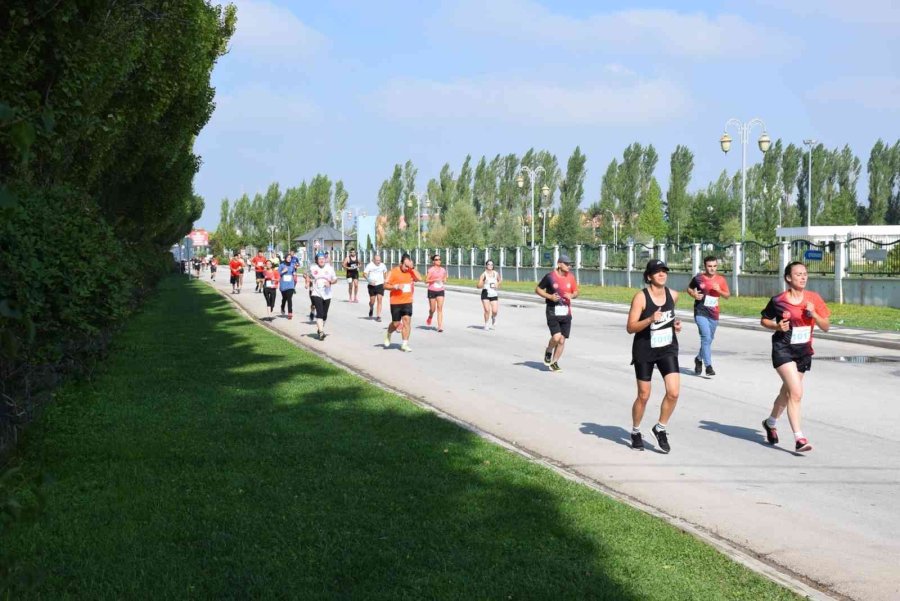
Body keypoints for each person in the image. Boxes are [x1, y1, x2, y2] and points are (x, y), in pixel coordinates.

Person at [759, 261, 830, 453]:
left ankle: (770, 422)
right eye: (798, 274)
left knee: (787, 393)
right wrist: (776, 326)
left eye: (805, 274)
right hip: (783, 350)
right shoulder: (779, 300)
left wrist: (814, 313)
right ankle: (799, 438)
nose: (803, 277)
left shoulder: (813, 298)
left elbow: (826, 326)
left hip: (803, 352)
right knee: (796, 393)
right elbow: (764, 319)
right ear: (788, 278)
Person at [626, 259, 682, 453]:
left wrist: (675, 324)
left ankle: (660, 428)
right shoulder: (640, 298)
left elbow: (670, 318)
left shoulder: (673, 295)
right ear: (649, 276)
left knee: (674, 392)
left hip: (667, 348)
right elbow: (630, 327)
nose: (662, 274)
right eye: (657, 272)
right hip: (645, 349)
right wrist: (649, 319)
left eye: (664, 271)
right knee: (644, 395)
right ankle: (635, 431)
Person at [686, 256, 730, 376]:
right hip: (700, 311)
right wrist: (694, 294)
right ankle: (708, 366)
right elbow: (689, 289)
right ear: (705, 266)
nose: (712, 269)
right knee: (705, 337)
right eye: (709, 266)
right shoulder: (699, 278)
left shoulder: (721, 279)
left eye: (714, 266)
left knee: (709, 340)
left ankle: (698, 359)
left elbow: (727, 295)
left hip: (714, 313)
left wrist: (719, 290)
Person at [535, 255, 579, 373]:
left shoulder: (571, 277)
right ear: (559, 264)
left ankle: (554, 362)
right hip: (552, 311)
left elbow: (576, 292)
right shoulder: (550, 277)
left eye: (570, 264)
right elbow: (538, 289)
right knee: (556, 337)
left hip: (566, 312)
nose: (569, 266)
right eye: (567, 264)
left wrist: (572, 295)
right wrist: (550, 296)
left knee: (562, 340)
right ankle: (549, 349)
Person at [384, 253, 422, 352]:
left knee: (406, 321)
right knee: (396, 324)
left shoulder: (410, 271)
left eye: (408, 266)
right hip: (395, 302)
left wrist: (412, 268)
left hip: (407, 301)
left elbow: (420, 278)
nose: (407, 268)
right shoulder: (392, 272)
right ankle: (388, 333)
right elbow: (385, 286)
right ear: (400, 263)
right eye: (405, 266)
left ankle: (404, 344)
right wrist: (395, 287)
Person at [307, 252, 338, 340]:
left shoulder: (330, 268)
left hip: (327, 294)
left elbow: (335, 279)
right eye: (319, 259)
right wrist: (307, 282)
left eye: (323, 259)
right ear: (317, 260)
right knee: (319, 313)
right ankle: (321, 332)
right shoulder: (313, 268)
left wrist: (330, 282)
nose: (321, 260)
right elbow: (307, 275)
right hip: (316, 293)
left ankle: (320, 328)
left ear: (325, 259)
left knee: (324, 314)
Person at [476, 259, 501, 330]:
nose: (490, 266)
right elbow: (478, 286)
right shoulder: (483, 274)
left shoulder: (496, 273)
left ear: (493, 266)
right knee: (487, 310)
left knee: (495, 311)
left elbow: (500, 280)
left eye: (491, 264)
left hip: (493, 293)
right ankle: (486, 324)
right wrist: (483, 283)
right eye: (488, 264)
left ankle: (493, 317)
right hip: (485, 293)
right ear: (486, 265)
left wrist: (497, 284)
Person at [426, 254, 448, 331]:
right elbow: (426, 280)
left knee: (440, 308)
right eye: (436, 259)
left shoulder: (443, 270)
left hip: (440, 290)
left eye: (439, 259)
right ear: (433, 261)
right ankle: (430, 316)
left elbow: (445, 278)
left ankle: (439, 326)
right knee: (433, 309)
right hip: (432, 290)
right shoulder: (431, 270)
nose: (438, 261)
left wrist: (444, 280)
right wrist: (435, 280)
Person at [364, 254, 387, 321]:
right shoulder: (370, 265)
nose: (378, 262)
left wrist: (385, 280)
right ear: (374, 260)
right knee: (372, 301)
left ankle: (378, 316)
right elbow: (364, 274)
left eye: (379, 260)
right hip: (372, 285)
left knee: (380, 299)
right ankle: (371, 308)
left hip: (380, 284)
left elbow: (385, 272)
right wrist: (369, 280)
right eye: (377, 260)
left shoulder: (383, 265)